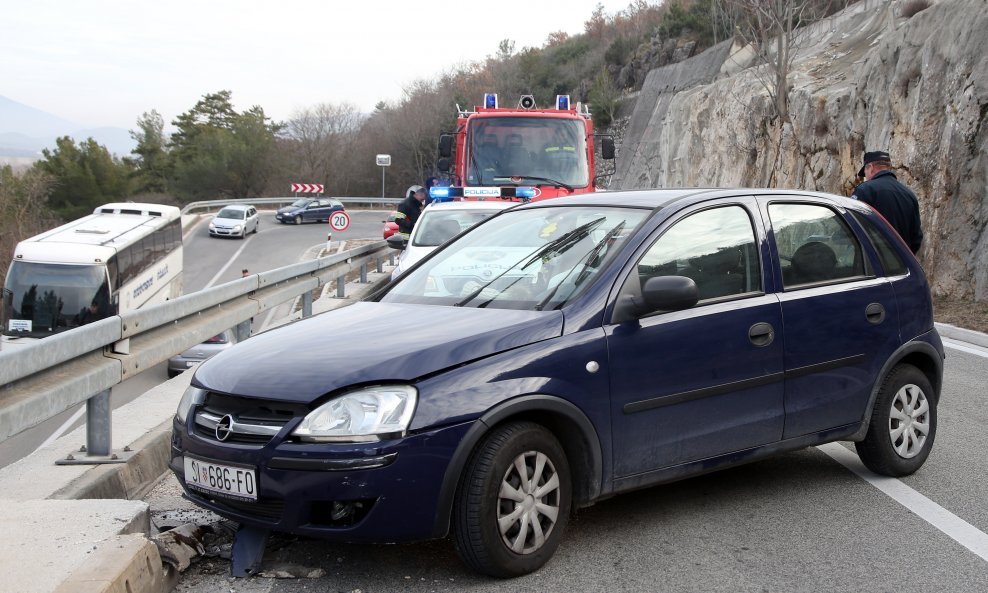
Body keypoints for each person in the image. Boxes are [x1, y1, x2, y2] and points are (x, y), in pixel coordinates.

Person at [851, 150, 923, 254]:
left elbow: (853, 226)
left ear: (870, 167)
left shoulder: (865, 190)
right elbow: (916, 238)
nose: (865, 177)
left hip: (874, 262)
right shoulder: (909, 194)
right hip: (901, 265)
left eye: (865, 173)